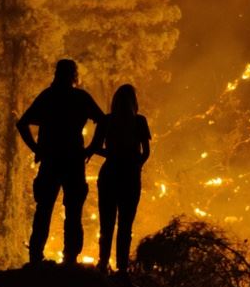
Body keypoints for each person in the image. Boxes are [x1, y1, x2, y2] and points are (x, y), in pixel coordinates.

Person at [16, 59, 104, 265]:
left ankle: (36, 257)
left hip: (51, 160)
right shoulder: (80, 97)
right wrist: (92, 148)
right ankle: (70, 258)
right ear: (74, 75)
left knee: (44, 209)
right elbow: (103, 121)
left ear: (56, 74)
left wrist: (36, 148)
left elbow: (22, 123)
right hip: (73, 161)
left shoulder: (48, 97)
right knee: (73, 211)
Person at [86, 84, 150, 275]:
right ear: (134, 102)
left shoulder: (107, 120)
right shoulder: (139, 121)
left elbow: (95, 147)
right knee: (125, 226)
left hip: (110, 174)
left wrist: (112, 154)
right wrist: (135, 163)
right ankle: (121, 269)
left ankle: (103, 264)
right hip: (130, 177)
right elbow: (146, 152)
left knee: (107, 224)